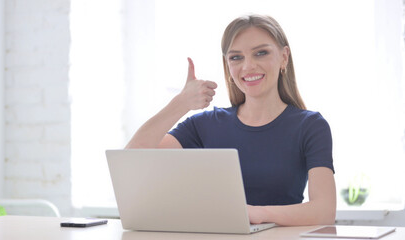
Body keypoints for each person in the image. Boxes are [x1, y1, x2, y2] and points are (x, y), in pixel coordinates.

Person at [125, 14, 336, 226]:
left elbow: (324, 210)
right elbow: (130, 161)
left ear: (284, 57)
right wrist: (181, 103)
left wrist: (254, 214)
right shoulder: (206, 125)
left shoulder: (310, 126)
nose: (248, 66)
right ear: (227, 65)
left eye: (261, 53)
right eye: (236, 57)